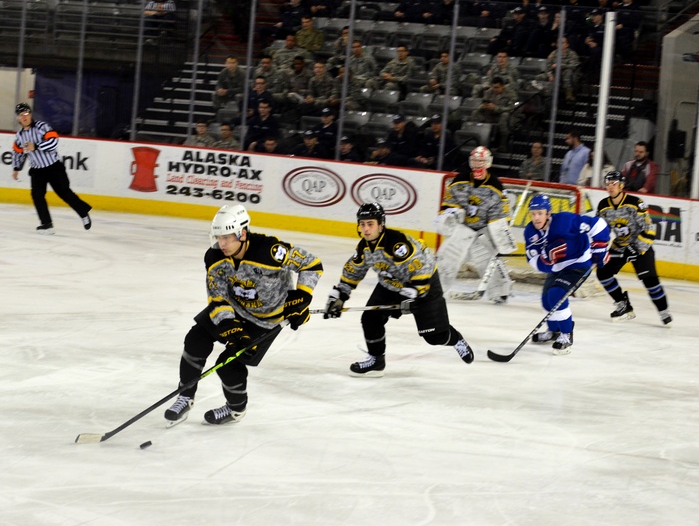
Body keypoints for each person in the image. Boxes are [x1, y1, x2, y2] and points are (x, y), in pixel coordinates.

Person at [164, 205, 323, 426]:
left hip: (265, 320)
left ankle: (235, 409)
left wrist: (302, 296)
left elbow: (311, 264)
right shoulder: (214, 257)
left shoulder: (270, 250)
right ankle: (185, 395)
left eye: (228, 237)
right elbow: (217, 298)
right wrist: (230, 325)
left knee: (228, 364)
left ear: (243, 233)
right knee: (195, 339)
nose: (222, 243)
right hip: (234, 310)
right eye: (219, 237)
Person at [323, 202, 474, 376]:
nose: (366, 229)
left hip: (424, 283)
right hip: (391, 285)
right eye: (362, 224)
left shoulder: (396, 243)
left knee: (434, 337)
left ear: (381, 224)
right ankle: (377, 361)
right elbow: (353, 271)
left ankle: (456, 339)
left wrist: (416, 292)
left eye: (370, 224)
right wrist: (339, 296)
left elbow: (422, 267)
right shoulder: (364, 248)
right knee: (371, 318)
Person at [522, 194, 610, 355]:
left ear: (548, 213)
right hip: (557, 268)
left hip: (579, 264)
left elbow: (599, 224)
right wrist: (547, 261)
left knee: (557, 294)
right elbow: (533, 258)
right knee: (546, 298)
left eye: (540, 213)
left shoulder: (565, 221)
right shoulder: (530, 231)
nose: (536, 217)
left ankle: (566, 334)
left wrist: (599, 248)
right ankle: (554, 331)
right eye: (533, 214)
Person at [437, 147, 516, 303]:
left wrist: (499, 235)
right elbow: (449, 202)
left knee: (488, 259)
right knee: (448, 256)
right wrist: (452, 214)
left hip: (483, 230)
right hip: (463, 228)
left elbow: (500, 214)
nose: (477, 165)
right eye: (474, 161)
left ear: (488, 163)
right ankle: (435, 288)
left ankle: (500, 291)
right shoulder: (460, 179)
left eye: (481, 161)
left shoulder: (495, 186)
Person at [595, 171, 672, 325]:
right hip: (620, 246)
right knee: (603, 273)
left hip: (641, 247)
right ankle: (623, 305)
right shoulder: (603, 205)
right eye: (608, 183)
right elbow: (599, 230)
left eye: (614, 183)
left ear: (621, 185)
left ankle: (663, 311)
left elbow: (649, 228)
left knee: (650, 280)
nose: (610, 187)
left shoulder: (635, 202)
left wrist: (636, 248)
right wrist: (595, 250)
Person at [11, 103, 93, 234]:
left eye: (26, 113)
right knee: (37, 195)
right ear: (18, 118)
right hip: (37, 171)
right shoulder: (19, 136)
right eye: (21, 115)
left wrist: (36, 146)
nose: (24, 117)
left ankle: (83, 213)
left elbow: (54, 141)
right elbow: (17, 152)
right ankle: (46, 224)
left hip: (54, 167)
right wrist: (16, 168)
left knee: (64, 193)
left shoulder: (42, 127)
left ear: (30, 114)